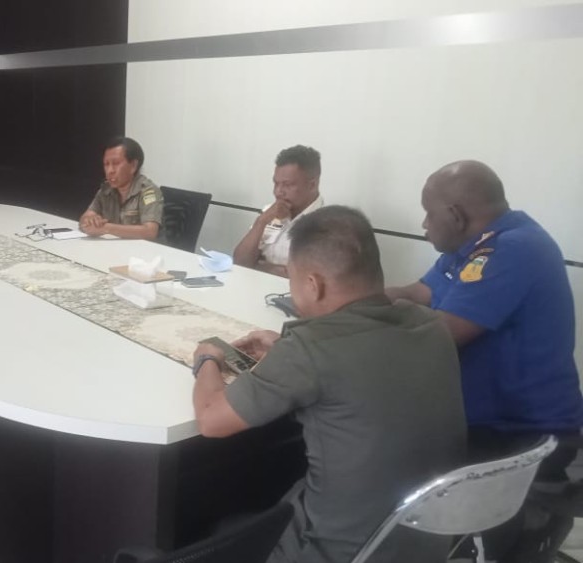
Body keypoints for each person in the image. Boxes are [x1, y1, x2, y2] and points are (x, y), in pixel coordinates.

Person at [193, 206, 466, 563]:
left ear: (313, 285)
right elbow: (367, 362)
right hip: (428, 540)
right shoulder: (430, 325)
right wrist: (285, 352)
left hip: (340, 551)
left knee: (218, 522)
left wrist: (207, 359)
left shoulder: (309, 349)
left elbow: (211, 419)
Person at [386, 160, 582, 560]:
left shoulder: (512, 249)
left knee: (388, 464)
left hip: (520, 434)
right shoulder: (473, 246)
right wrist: (354, 301)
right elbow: (418, 293)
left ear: (456, 215)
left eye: (428, 214)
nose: (424, 224)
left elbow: (440, 338)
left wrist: (361, 335)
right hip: (489, 422)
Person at [233, 145, 324, 277]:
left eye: (287, 185)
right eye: (276, 183)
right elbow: (240, 263)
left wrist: (257, 265)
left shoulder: (327, 225)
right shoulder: (270, 213)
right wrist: (261, 221)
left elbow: (306, 278)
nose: (278, 192)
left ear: (312, 185)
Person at [79, 136, 163, 241]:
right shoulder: (106, 190)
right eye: (106, 164)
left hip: (144, 250)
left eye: (116, 163)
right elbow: (85, 218)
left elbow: (150, 232)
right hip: (116, 247)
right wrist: (89, 221)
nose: (110, 170)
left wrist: (106, 228)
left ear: (133, 166)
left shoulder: (148, 191)